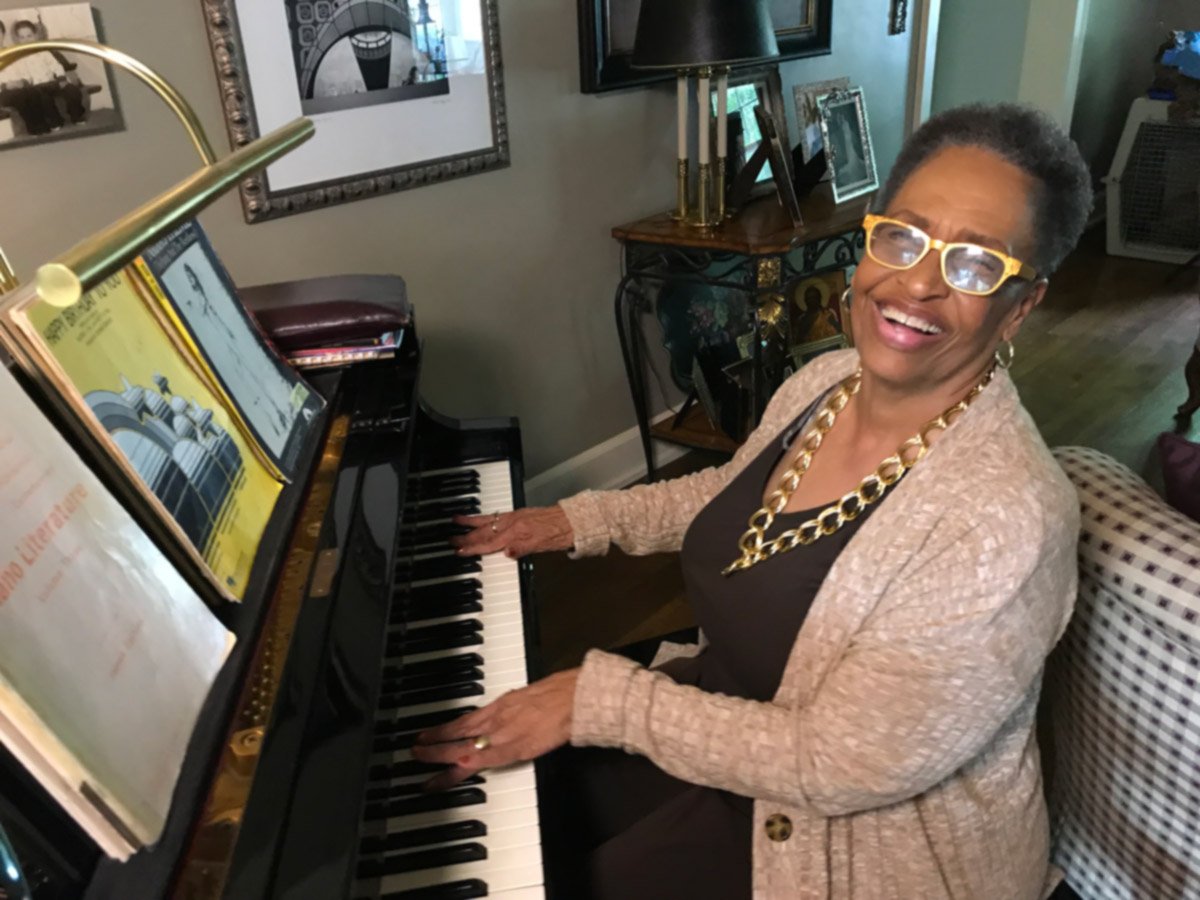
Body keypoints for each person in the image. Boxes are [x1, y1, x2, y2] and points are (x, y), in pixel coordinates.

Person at [412, 102, 1093, 899]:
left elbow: (842, 762)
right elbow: (735, 496)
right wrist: (575, 520)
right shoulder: (827, 382)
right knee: (516, 799)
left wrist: (602, 702)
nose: (916, 282)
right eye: (903, 236)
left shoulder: (1008, 520)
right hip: (726, 714)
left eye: (975, 264)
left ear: (1022, 302)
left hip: (864, 839)